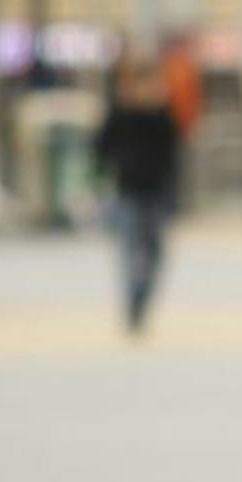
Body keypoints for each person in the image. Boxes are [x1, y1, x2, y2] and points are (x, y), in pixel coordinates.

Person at [94, 50, 183, 334]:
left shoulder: (162, 112)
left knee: (156, 252)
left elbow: (173, 147)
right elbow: (101, 146)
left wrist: (157, 109)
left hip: (156, 191)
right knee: (129, 251)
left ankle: (142, 298)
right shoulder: (121, 111)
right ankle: (132, 303)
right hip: (128, 190)